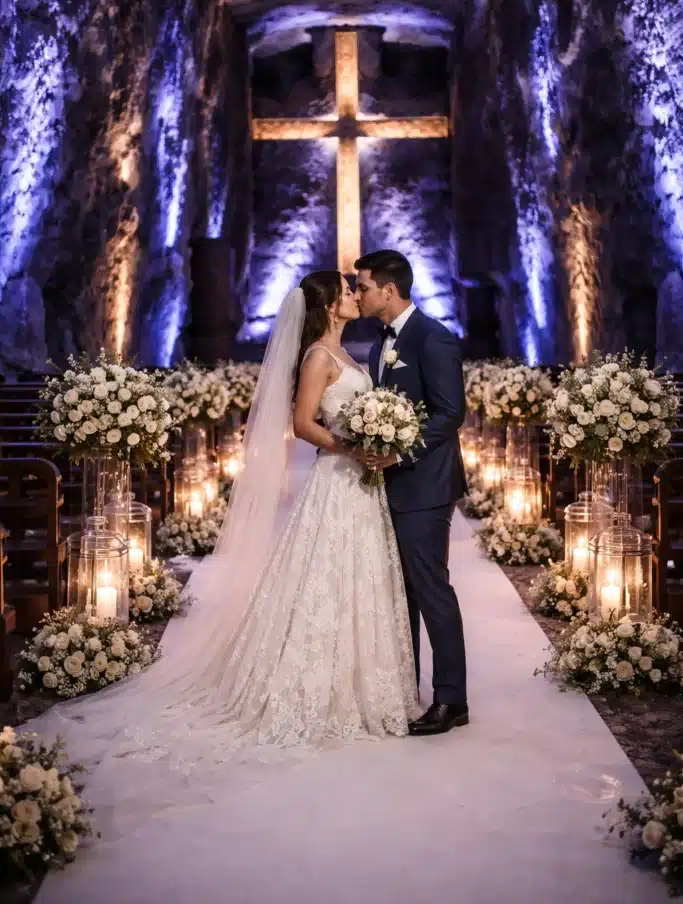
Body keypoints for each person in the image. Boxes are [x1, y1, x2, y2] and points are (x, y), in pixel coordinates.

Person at [35, 271, 419, 828]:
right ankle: (313, 687)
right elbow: (302, 424)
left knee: (359, 577)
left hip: (360, 485)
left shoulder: (345, 352)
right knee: (326, 577)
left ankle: (364, 682)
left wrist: (376, 440)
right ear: (328, 305)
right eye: (346, 290)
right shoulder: (318, 356)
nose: (354, 295)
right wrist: (352, 447)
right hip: (338, 479)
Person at [355, 249, 469, 735]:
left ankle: (452, 700)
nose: (357, 295)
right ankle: (408, 687)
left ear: (388, 289)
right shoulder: (380, 343)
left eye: (362, 287)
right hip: (392, 486)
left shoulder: (433, 337)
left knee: (430, 588)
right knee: (400, 592)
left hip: (425, 485)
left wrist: (400, 454)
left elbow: (450, 413)